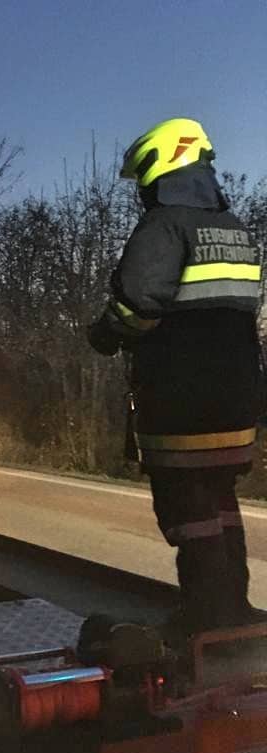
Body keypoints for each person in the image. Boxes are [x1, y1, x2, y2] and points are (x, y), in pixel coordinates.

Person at [88, 117, 263, 634]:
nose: (142, 188)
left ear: (163, 166)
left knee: (186, 506)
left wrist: (106, 332)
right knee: (220, 501)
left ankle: (205, 618)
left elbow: (140, 303)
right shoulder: (233, 229)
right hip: (236, 397)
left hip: (182, 397)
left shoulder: (164, 226)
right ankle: (233, 608)